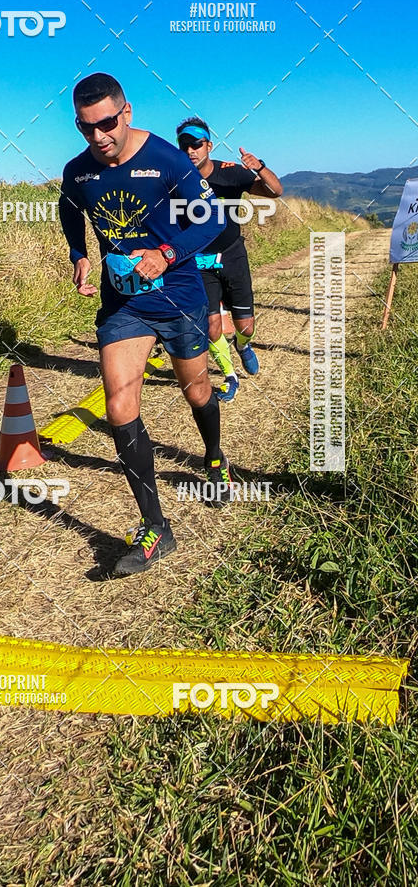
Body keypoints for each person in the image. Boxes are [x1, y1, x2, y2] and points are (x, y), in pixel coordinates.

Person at [59, 73, 231, 577]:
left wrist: (167, 252)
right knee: (118, 403)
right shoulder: (79, 171)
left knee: (196, 389)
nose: (99, 137)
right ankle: (156, 526)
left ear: (126, 113)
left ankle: (214, 454)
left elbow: (211, 219)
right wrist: (79, 254)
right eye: (87, 128)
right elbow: (69, 209)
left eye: (107, 124)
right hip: (123, 302)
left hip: (177, 293)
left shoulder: (166, 160)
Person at [176, 117, 283, 400]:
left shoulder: (230, 173)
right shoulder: (176, 177)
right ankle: (229, 376)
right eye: (184, 145)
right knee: (211, 327)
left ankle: (244, 345)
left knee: (245, 325)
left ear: (208, 145)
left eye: (196, 144)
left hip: (233, 255)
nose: (190, 151)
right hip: (199, 261)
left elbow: (276, 191)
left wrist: (258, 166)